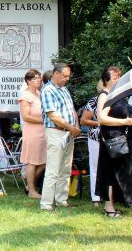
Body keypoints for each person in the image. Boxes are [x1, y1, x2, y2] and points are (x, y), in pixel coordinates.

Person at [95, 66, 132, 217]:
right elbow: (102, 118)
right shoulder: (105, 95)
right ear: (106, 80)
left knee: (120, 172)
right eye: (114, 78)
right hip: (112, 139)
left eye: (119, 77)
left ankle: (118, 202)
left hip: (123, 137)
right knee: (109, 172)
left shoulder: (119, 96)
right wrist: (124, 122)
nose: (118, 80)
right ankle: (108, 207)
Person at [39, 63, 81, 211]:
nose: (67, 79)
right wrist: (72, 128)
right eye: (64, 76)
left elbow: (71, 109)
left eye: (68, 76)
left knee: (65, 168)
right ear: (55, 74)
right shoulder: (48, 90)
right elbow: (53, 116)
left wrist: (76, 126)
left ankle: (61, 199)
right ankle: (46, 204)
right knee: (53, 169)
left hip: (68, 133)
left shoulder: (64, 89)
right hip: (56, 132)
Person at [18, 69, 46, 199]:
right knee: (33, 161)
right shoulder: (25, 95)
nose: (38, 80)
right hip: (32, 132)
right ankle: (32, 191)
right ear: (28, 81)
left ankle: (30, 186)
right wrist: (44, 120)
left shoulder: (39, 93)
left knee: (44, 161)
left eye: (39, 77)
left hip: (43, 131)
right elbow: (26, 116)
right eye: (35, 78)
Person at [80, 80, 105, 206]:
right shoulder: (93, 101)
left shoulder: (117, 99)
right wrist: (100, 123)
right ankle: (96, 197)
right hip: (96, 137)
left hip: (113, 138)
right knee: (96, 167)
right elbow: (83, 121)